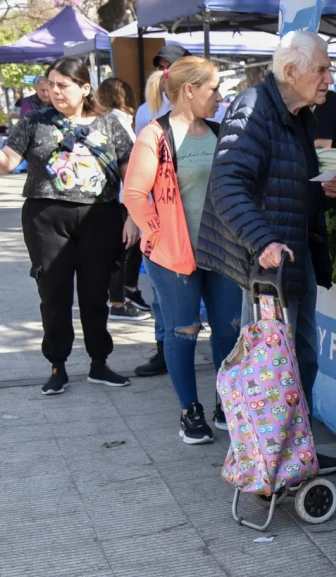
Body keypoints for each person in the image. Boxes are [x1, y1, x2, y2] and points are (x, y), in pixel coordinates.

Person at [196, 31, 336, 472]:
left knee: (301, 361)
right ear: (291, 71)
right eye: (322, 68)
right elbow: (227, 185)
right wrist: (263, 240)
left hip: (291, 259)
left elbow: (282, 185)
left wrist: (323, 193)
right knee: (272, 372)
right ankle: (267, 463)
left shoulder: (297, 115)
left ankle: (293, 452)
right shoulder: (254, 107)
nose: (329, 77)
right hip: (269, 265)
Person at [0, 56, 133, 395]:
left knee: (94, 293)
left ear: (85, 87)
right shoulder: (33, 121)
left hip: (99, 217)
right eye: (51, 84)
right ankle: (57, 365)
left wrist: (134, 214)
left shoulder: (109, 123)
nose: (54, 91)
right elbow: (7, 162)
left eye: (63, 85)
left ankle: (99, 363)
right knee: (54, 294)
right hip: (46, 219)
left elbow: (131, 171)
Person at [124, 56, 240, 445]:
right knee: (184, 329)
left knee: (228, 329)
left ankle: (226, 403)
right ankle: (189, 411)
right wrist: (158, 236)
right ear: (189, 90)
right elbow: (135, 194)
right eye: (214, 89)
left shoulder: (220, 132)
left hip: (220, 253)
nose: (221, 98)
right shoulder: (154, 135)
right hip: (173, 256)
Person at [130, 44, 192, 379]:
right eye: (162, 65)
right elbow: (138, 182)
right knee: (164, 298)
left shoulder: (212, 109)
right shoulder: (148, 112)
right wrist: (152, 226)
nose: (166, 69)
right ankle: (163, 350)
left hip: (200, 221)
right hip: (165, 221)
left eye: (172, 63)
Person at [98, 76, 151, 322]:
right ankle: (118, 301)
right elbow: (127, 166)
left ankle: (125, 294)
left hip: (125, 196)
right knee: (123, 250)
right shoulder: (113, 121)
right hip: (122, 197)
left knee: (128, 250)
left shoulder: (120, 120)